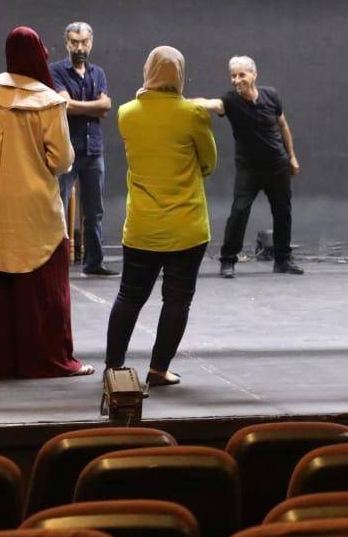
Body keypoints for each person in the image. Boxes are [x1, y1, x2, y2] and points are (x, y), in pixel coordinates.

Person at [0, 26, 92, 377]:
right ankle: (44, 358)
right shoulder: (49, 102)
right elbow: (61, 160)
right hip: (33, 207)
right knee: (41, 285)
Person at [105, 46, 217, 387]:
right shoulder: (193, 113)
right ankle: (158, 370)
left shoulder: (127, 113)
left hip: (142, 226)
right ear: (180, 74)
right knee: (177, 300)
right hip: (187, 228)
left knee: (129, 296)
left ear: (147, 70)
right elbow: (209, 162)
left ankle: (113, 367)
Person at [206, 56, 303, 278]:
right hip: (249, 170)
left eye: (241, 75)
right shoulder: (230, 100)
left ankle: (282, 260)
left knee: (283, 212)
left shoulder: (271, 95)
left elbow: (283, 126)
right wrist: (181, 102)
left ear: (254, 75)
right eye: (233, 76)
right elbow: (212, 104)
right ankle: (228, 261)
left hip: (277, 165)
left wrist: (292, 157)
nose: (236, 80)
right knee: (239, 211)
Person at [49, 21, 115, 276]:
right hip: (67, 150)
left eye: (84, 42)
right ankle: (55, 263)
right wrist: (95, 106)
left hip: (93, 150)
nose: (79, 47)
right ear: (67, 43)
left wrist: (79, 106)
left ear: (91, 43)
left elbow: (106, 107)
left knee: (94, 211)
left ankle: (94, 263)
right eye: (74, 42)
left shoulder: (98, 73)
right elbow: (63, 105)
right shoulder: (56, 71)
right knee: (58, 207)